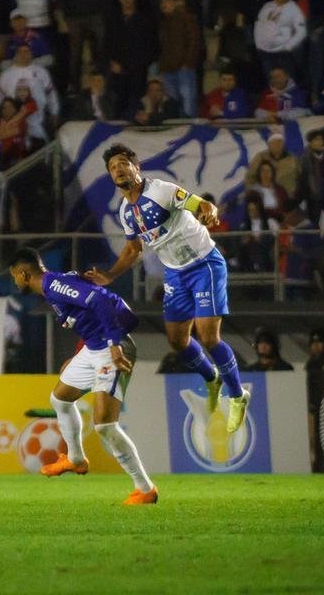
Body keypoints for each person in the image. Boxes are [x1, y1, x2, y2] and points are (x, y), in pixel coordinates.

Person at [84, 144, 250, 434]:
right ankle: (212, 378)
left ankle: (237, 395)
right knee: (177, 341)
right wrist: (110, 275)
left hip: (204, 264)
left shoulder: (160, 190)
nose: (118, 169)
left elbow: (200, 204)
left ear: (137, 167)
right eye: (112, 167)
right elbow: (133, 249)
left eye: (123, 162)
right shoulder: (125, 211)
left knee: (209, 337)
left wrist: (208, 211)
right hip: (175, 274)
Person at [8, 247, 156, 505]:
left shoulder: (54, 286)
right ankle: (75, 459)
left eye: (14, 277)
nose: (14, 281)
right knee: (60, 399)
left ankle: (145, 489)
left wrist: (113, 344)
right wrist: (80, 353)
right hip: (93, 348)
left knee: (104, 426)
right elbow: (87, 312)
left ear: (22, 273)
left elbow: (97, 301)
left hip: (112, 348)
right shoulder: (57, 284)